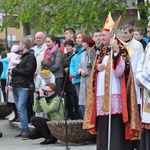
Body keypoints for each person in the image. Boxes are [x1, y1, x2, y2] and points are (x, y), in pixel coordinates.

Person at [83, 12, 141, 150]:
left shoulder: (121, 50)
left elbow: (120, 71)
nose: (101, 38)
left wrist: (115, 53)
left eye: (104, 35)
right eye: (101, 35)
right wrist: (97, 68)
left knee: (116, 128)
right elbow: (94, 74)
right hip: (102, 96)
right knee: (103, 127)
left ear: (112, 35)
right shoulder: (101, 52)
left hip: (116, 96)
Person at [8, 38, 37, 139]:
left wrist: (14, 70)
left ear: (24, 45)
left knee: (21, 108)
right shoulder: (22, 56)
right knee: (19, 108)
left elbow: (28, 71)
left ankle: (25, 130)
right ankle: (24, 129)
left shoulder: (30, 57)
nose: (19, 46)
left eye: (20, 44)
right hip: (17, 85)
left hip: (24, 86)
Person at [136, 21, 150, 150]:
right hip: (146, 87)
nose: (148, 29)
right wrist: (139, 76)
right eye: (148, 27)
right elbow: (141, 61)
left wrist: (141, 78)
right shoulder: (148, 46)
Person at [78, 36, 95, 118]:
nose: (82, 44)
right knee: (82, 103)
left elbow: (93, 65)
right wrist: (81, 71)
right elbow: (79, 66)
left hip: (89, 79)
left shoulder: (92, 52)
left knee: (89, 102)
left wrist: (87, 72)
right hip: (83, 80)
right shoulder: (83, 54)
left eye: (84, 42)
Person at [63, 40, 80, 120]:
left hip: (73, 80)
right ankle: (69, 115)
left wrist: (69, 69)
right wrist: (64, 69)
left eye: (69, 46)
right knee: (67, 100)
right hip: (66, 81)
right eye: (66, 46)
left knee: (75, 99)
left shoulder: (75, 55)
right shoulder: (64, 56)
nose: (67, 48)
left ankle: (77, 115)